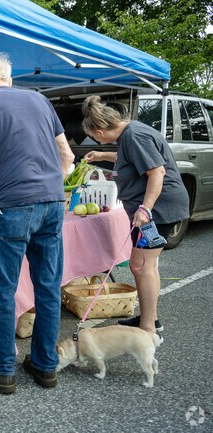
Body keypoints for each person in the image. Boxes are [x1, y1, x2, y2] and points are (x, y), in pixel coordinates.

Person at [0, 53, 74, 394]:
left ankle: (1, 369)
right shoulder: (40, 100)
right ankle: (44, 366)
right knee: (48, 286)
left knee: (2, 288)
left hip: (12, 206)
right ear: (9, 78)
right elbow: (67, 157)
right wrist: (51, 184)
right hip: (53, 203)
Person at [82, 95, 189, 335]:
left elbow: (157, 172)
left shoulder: (134, 136)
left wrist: (146, 208)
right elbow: (131, 159)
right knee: (142, 266)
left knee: (142, 266)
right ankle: (150, 319)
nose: (97, 140)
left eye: (94, 137)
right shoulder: (130, 134)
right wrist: (101, 156)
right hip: (154, 209)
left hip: (159, 209)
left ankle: (148, 327)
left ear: (99, 131)